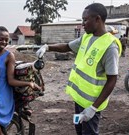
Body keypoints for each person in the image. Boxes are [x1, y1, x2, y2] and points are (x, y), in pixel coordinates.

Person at [36, 3, 122, 135]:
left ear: (97, 19)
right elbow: (67, 46)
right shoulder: (87, 37)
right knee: (79, 130)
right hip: (79, 99)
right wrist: (47, 47)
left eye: (85, 19)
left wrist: (93, 108)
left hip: (92, 103)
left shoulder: (110, 47)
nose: (82, 23)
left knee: (89, 133)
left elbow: (112, 80)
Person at [0, 26, 41, 135]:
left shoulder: (9, 56)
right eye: (0, 39)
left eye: (6, 39)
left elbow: (11, 80)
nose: (4, 42)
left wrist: (29, 83)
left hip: (2, 93)